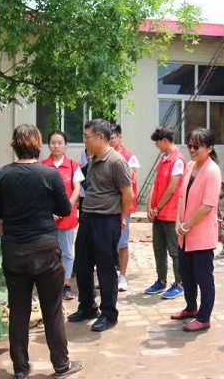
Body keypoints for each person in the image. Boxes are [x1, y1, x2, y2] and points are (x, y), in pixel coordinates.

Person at [0, 124, 83, 379]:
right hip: (45, 250)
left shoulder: (1, 175)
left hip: (14, 251)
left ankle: (20, 369)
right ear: (38, 145)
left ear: (14, 145)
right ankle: (61, 365)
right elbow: (64, 209)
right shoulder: (49, 174)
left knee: (18, 311)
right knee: (52, 310)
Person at [68, 119, 133, 332]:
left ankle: (109, 313)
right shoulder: (93, 159)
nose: (84, 140)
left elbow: (128, 194)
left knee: (105, 268)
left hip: (106, 221)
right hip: (88, 219)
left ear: (101, 137)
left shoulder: (116, 162)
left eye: (87, 136)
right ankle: (87, 306)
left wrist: (120, 217)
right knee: (83, 266)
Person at [171, 128, 222, 332]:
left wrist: (186, 225)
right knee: (186, 274)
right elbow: (181, 196)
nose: (192, 150)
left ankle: (204, 317)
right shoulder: (190, 166)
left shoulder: (212, 171)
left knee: (203, 278)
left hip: (200, 235)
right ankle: (191, 307)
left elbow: (208, 205)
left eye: (196, 146)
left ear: (209, 148)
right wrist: (178, 222)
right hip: (185, 234)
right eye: (190, 145)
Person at [41, 130, 84, 300]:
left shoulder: (73, 166)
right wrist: (50, 211)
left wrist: (64, 208)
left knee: (66, 252)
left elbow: (77, 189)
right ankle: (51, 284)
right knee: (48, 252)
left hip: (67, 217)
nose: (56, 146)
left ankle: (65, 285)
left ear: (66, 145)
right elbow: (40, 192)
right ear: (48, 145)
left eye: (60, 143)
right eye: (53, 143)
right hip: (48, 218)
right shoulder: (42, 166)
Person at [146, 126, 186, 299]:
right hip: (158, 213)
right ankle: (161, 280)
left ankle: (180, 283)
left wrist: (157, 208)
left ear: (165, 140)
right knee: (159, 249)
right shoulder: (164, 159)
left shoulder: (178, 160)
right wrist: (150, 206)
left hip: (170, 214)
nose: (156, 145)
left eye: (157, 142)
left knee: (174, 251)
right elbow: (155, 185)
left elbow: (172, 188)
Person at [109, 124, 140, 292]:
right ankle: (109, 276)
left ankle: (122, 275)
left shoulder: (130, 157)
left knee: (122, 242)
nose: (110, 141)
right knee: (108, 243)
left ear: (120, 138)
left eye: (112, 138)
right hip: (107, 206)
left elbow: (130, 180)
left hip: (123, 207)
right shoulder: (102, 155)